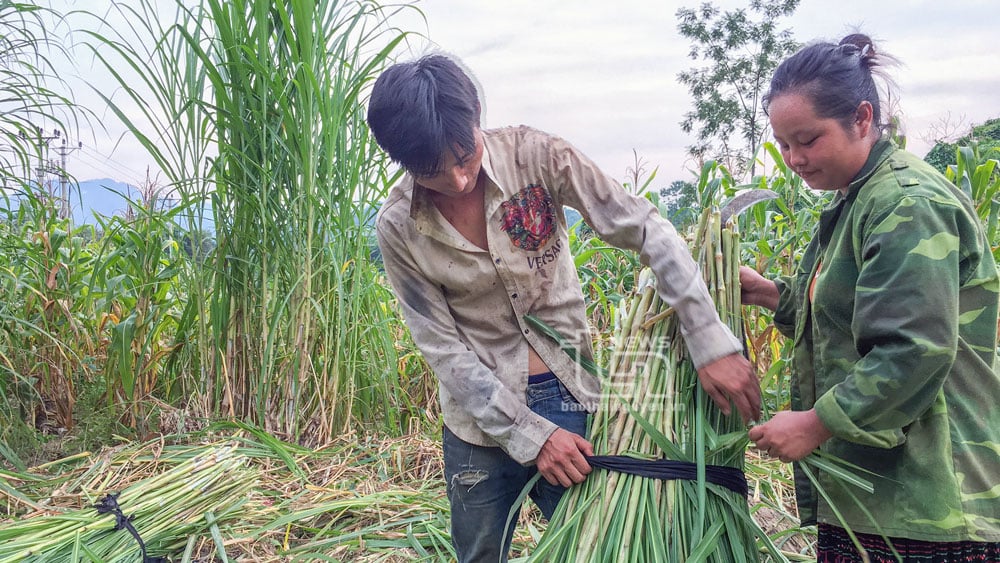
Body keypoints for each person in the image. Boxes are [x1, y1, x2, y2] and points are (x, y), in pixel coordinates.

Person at [367, 53, 761, 562]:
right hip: (478, 421)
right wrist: (531, 435)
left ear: (476, 116)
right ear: (401, 160)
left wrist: (709, 340)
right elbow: (442, 349)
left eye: (465, 158)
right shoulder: (399, 225)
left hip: (570, 393)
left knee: (593, 548)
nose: (460, 180)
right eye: (433, 173)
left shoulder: (538, 156)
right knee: (480, 552)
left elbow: (645, 227)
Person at [740, 33, 1000, 562]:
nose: (793, 158)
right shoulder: (854, 201)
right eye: (784, 143)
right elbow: (844, 318)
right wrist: (769, 294)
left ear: (862, 118)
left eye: (807, 140)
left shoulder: (905, 203)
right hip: (871, 493)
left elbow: (915, 348)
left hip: (928, 500)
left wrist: (815, 423)